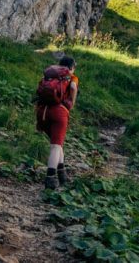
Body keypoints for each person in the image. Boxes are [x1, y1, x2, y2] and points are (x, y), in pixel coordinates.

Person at [35, 55, 78, 189]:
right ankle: (50, 178)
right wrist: (71, 103)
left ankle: (62, 174)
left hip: (42, 112)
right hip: (59, 113)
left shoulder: (49, 75)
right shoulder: (71, 77)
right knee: (55, 146)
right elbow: (73, 87)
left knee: (58, 145)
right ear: (71, 67)